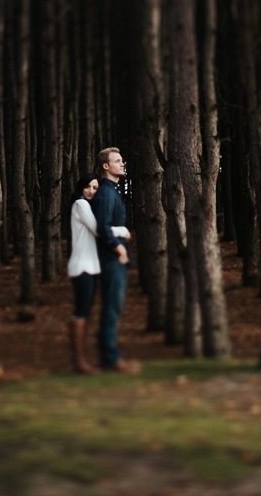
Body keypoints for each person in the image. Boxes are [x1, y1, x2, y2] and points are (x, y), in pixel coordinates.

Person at [90, 147, 140, 373]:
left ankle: (109, 356)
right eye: (117, 161)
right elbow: (102, 227)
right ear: (105, 166)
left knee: (114, 307)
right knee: (111, 307)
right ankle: (110, 358)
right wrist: (118, 249)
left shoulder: (113, 191)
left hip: (114, 258)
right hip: (111, 259)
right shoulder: (105, 193)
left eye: (122, 160)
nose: (122, 164)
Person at [66, 175, 102, 374]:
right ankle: (79, 362)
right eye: (88, 186)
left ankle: (82, 360)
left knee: (85, 311)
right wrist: (122, 231)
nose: (91, 190)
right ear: (81, 188)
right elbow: (98, 230)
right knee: (81, 311)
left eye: (95, 187)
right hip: (82, 266)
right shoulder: (81, 204)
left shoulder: (88, 207)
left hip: (90, 265)